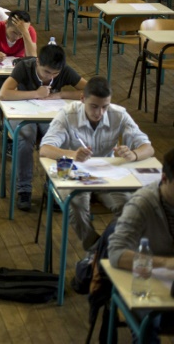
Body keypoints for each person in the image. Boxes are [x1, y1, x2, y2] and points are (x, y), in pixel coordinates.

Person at [40, 76, 154, 251]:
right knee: (77, 205)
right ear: (82, 99)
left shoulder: (119, 114)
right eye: (94, 106)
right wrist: (72, 154)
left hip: (105, 173)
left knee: (129, 207)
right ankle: (95, 248)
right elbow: (45, 149)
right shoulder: (67, 115)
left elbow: (148, 148)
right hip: (70, 170)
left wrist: (133, 154)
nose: (99, 113)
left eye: (104, 107)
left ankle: (109, 246)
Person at [0, 44, 88, 211]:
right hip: (22, 114)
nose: (51, 76)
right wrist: (35, 94)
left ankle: (55, 186)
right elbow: (4, 93)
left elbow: (87, 91)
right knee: (25, 137)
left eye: (55, 74)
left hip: (48, 114)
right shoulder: (24, 67)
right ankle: (24, 189)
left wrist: (61, 94)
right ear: (37, 62)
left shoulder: (64, 70)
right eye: (47, 72)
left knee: (62, 139)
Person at [108, 148, 174, 341]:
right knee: (148, 329)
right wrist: (165, 263)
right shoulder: (143, 203)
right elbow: (116, 253)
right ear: (164, 179)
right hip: (144, 284)